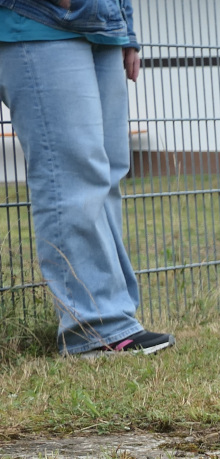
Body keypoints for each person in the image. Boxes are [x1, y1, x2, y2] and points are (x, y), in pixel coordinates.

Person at [0, 0, 174, 355]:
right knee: (68, 174)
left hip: (104, 28)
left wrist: (126, 30)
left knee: (105, 178)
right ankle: (93, 329)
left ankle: (115, 318)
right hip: (39, 21)